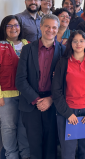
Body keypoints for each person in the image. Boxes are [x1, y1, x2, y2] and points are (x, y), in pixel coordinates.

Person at [15, 14, 66, 159]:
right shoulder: (27, 49)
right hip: (31, 105)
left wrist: (50, 99)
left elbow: (65, 82)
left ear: (58, 29)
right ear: (41, 27)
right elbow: (20, 80)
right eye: (47, 26)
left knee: (51, 147)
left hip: (53, 104)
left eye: (54, 27)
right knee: (34, 147)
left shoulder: (63, 51)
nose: (51, 30)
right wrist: (37, 100)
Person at [51, 30, 85, 159]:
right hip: (67, 113)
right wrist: (67, 113)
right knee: (67, 152)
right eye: (75, 41)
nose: (78, 44)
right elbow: (56, 90)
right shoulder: (63, 62)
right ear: (70, 43)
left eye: (81, 41)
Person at [0, 15, 30, 159]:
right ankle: (12, 155)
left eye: (16, 25)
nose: (13, 28)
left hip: (25, 95)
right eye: (9, 26)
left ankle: (26, 155)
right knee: (9, 127)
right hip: (5, 96)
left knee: (24, 126)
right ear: (4, 29)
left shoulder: (27, 44)